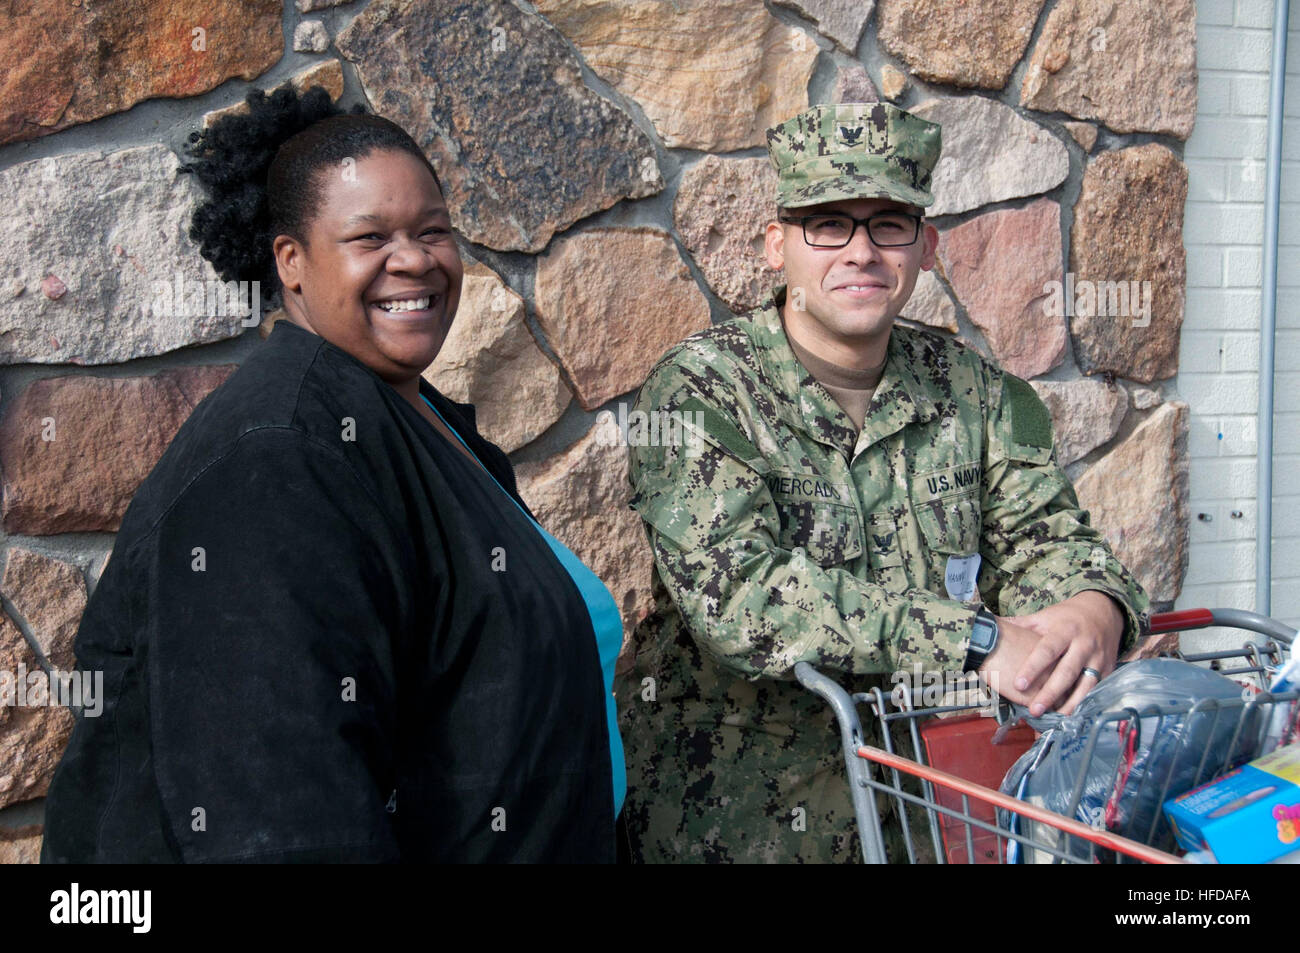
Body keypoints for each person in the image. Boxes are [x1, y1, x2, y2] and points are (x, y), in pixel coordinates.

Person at [40, 84, 624, 863]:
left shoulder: (430, 431)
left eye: (433, 230)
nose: (413, 259)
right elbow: (280, 807)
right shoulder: (278, 456)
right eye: (369, 236)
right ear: (292, 261)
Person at [617, 102, 1151, 863]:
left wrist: (1092, 609)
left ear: (926, 246)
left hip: (914, 803)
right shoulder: (701, 393)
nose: (860, 250)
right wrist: (973, 639)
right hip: (735, 820)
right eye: (828, 223)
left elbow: (1048, 539)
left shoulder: (976, 390)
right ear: (778, 245)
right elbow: (740, 599)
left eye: (889, 223)